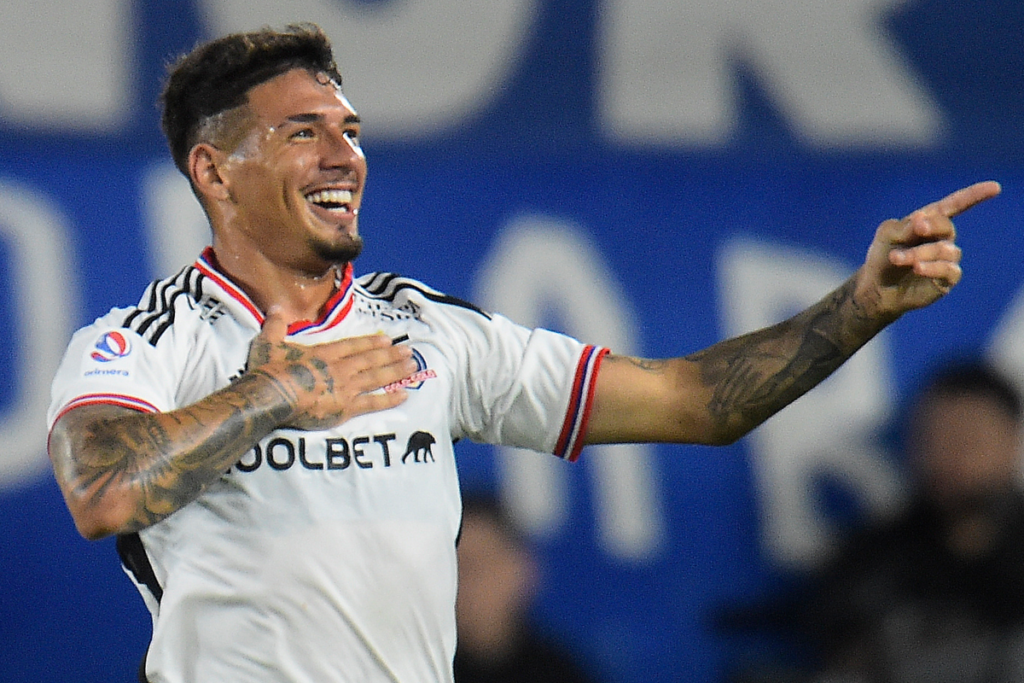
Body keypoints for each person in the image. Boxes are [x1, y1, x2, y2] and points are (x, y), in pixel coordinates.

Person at [44, 22, 999, 683]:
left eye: (350, 130)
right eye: (303, 133)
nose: (344, 156)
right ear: (213, 169)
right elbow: (102, 489)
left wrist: (862, 303)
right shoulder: (145, 342)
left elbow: (693, 402)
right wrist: (269, 397)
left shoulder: (428, 334)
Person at [794, 359, 1024, 683]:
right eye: (933, 437)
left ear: (1011, 440)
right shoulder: (873, 556)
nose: (949, 454)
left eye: (967, 438)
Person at [453, 493, 600, 683]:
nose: (468, 581)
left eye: (483, 564)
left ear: (522, 569)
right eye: (456, 566)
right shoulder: (411, 671)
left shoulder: (560, 672)